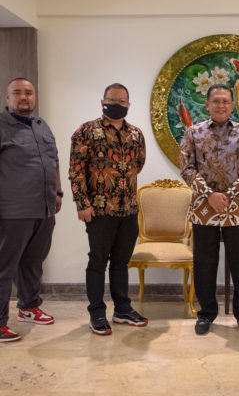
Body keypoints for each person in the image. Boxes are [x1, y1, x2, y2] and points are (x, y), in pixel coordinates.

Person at [180, 84, 239, 335]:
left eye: (225, 101)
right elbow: (187, 168)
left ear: (232, 104)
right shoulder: (193, 133)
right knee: (204, 264)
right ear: (207, 104)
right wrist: (209, 195)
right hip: (204, 208)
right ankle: (206, 314)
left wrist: (228, 195)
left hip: (236, 207)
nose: (221, 105)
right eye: (216, 100)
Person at [69, 83, 147, 335]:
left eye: (122, 101)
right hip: (99, 210)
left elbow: (138, 164)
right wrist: (82, 204)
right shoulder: (86, 131)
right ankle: (97, 313)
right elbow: (76, 171)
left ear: (128, 105)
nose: (117, 104)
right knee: (98, 262)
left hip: (129, 210)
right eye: (112, 100)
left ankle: (122, 309)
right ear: (102, 102)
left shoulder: (136, 134)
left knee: (121, 263)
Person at [0, 78, 62, 343]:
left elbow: (54, 160)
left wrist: (58, 192)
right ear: (7, 98)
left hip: (44, 208)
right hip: (13, 210)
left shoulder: (41, 125)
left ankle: (28, 306)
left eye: (28, 92)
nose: (23, 97)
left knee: (33, 262)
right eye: (17, 93)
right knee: (4, 267)